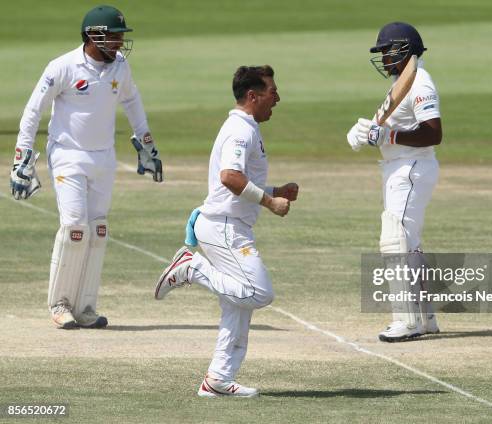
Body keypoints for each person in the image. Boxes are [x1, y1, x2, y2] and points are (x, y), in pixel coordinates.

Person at [10, 5, 163, 329]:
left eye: (122, 37)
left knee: (98, 231)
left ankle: (85, 307)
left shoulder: (120, 67)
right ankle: (60, 304)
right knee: (76, 228)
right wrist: (23, 155)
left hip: (103, 157)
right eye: (115, 36)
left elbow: (132, 102)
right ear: (94, 35)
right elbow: (33, 111)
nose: (120, 43)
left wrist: (146, 143)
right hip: (67, 155)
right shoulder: (63, 66)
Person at [155, 65, 298, 398]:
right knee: (259, 293)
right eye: (272, 92)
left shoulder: (246, 128)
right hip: (223, 227)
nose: (277, 98)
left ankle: (218, 379)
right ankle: (192, 268)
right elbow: (229, 178)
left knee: (238, 303)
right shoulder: (241, 130)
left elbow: (239, 179)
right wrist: (270, 202)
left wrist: (276, 189)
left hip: (228, 224)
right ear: (253, 96)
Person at [347, 22, 442, 342]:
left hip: (412, 168)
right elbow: (387, 123)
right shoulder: (403, 81)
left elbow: (433, 132)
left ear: (403, 50)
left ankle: (406, 320)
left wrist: (387, 135)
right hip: (398, 168)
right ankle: (426, 318)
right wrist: (368, 133)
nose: (384, 57)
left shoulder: (420, 82)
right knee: (409, 244)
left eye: (386, 51)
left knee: (394, 239)